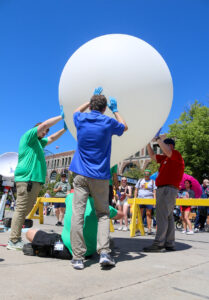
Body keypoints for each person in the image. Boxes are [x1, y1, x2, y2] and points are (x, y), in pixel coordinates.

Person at [69, 87, 128, 270]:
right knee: (102, 214)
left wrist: (89, 99)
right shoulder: (108, 122)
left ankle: (78, 257)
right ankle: (104, 252)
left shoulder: (81, 119)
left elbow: (75, 112)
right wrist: (115, 109)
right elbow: (124, 126)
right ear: (104, 109)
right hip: (100, 176)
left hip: (79, 174)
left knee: (78, 215)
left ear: (91, 107)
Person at [7, 109, 67, 251]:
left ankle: (15, 237)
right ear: (36, 129)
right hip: (26, 179)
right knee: (21, 209)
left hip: (34, 181)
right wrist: (60, 117)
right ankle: (13, 240)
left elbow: (52, 138)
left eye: (46, 132)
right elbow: (44, 125)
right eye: (44, 131)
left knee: (26, 209)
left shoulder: (39, 144)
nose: (45, 133)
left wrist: (64, 129)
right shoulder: (28, 137)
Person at [24, 193, 123, 260]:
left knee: (29, 233)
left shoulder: (71, 197)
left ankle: (41, 249)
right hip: (89, 251)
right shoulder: (101, 205)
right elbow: (121, 214)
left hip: (66, 248)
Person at [144, 137, 184, 252]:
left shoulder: (175, 154)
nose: (161, 149)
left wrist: (157, 139)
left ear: (170, 145)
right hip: (167, 189)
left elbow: (168, 151)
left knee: (162, 216)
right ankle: (169, 243)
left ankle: (159, 244)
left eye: (162, 146)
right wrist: (147, 144)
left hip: (167, 189)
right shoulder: (165, 158)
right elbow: (152, 156)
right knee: (169, 216)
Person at [134, 169, 156, 235]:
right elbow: (136, 190)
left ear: (149, 175)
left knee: (148, 214)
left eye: (147, 174)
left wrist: (154, 202)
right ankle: (138, 228)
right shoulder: (140, 180)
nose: (146, 175)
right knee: (139, 214)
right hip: (140, 199)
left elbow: (154, 192)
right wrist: (135, 198)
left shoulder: (152, 181)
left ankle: (149, 229)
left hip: (149, 199)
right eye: (145, 174)